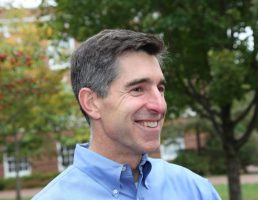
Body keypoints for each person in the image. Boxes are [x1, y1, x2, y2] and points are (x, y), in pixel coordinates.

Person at [33, 29, 221, 200]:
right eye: (138, 89)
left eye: (160, 88)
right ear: (91, 102)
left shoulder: (195, 190)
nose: (160, 105)